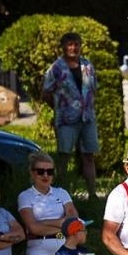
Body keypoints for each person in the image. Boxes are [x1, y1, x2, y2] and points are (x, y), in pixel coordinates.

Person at [41, 31, 100, 199]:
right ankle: (60, 194)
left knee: (89, 156)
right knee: (64, 157)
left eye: (76, 44)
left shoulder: (87, 66)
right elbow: (45, 93)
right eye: (70, 45)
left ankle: (92, 194)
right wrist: (59, 108)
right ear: (64, 47)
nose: (73, 48)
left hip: (87, 118)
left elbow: (93, 90)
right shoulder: (56, 68)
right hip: (66, 121)